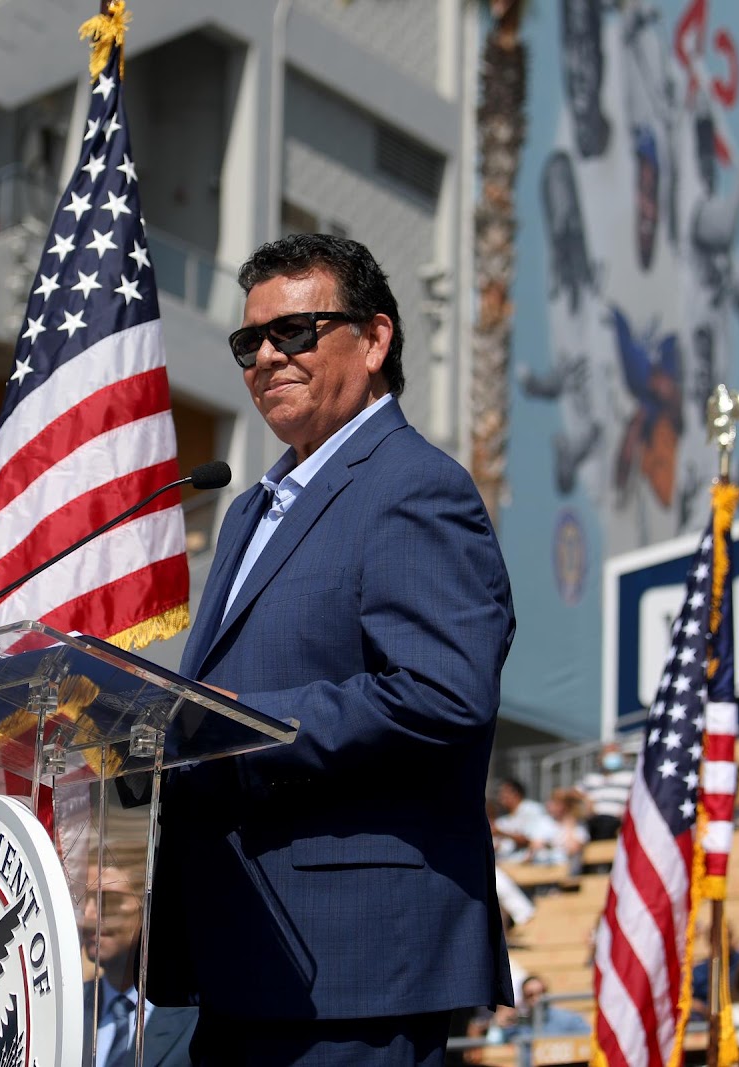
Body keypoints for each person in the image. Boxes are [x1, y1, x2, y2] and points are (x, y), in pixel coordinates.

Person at [148, 233, 516, 1066]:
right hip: (239, 953)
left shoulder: (414, 484)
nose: (268, 355)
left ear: (376, 338)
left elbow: (444, 692)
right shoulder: (248, 510)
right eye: (251, 341)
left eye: (296, 331)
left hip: (350, 965)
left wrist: (246, 727)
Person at [80, 863, 195, 1067]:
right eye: (82, 902)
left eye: (107, 902)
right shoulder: (70, 1008)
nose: (88, 918)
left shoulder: (197, 1020)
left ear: (147, 910)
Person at [495, 977, 590, 1067]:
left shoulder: (569, 1019)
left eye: (541, 993)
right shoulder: (521, 1024)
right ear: (524, 999)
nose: (537, 999)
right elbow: (500, 1040)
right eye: (530, 995)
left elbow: (588, 1043)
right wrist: (503, 1023)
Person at [575, 744, 633, 841]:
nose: (611, 756)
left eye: (615, 752)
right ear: (600, 758)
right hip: (593, 818)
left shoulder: (630, 777)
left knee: (606, 823)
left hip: (617, 818)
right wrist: (585, 800)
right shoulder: (591, 778)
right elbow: (573, 793)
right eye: (607, 753)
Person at [493, 779, 552, 861]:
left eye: (504, 793)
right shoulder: (502, 820)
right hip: (508, 863)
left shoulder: (532, 809)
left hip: (535, 862)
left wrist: (501, 833)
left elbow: (529, 840)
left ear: (516, 793)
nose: (501, 797)